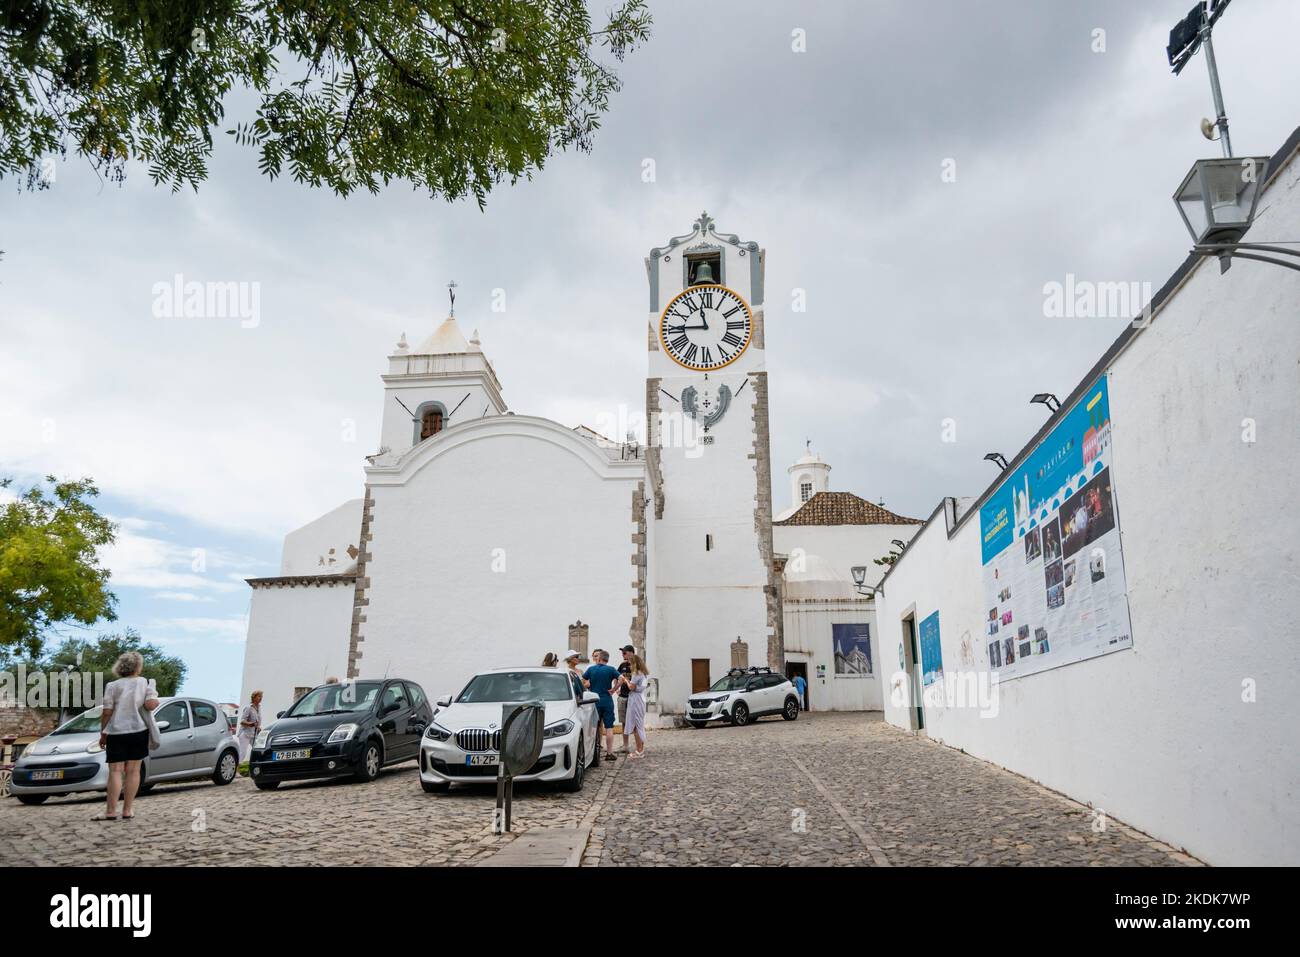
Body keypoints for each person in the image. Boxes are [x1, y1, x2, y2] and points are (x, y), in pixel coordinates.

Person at [96, 652, 160, 822]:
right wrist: (154, 698)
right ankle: (127, 810)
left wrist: (103, 734)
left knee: (115, 771)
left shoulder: (112, 686)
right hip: (139, 730)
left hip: (117, 732)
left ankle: (110, 811)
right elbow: (151, 705)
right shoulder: (145, 683)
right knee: (133, 771)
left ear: (120, 666)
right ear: (138, 666)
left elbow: (107, 712)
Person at [582, 651, 621, 761]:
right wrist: (614, 689)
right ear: (607, 659)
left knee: (594, 727)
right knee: (609, 727)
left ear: (599, 658)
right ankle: (609, 753)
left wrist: (589, 685)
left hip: (594, 700)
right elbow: (621, 679)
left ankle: (594, 753)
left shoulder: (591, 669)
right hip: (607, 700)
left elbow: (584, 680)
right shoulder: (611, 669)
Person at [619, 653, 649, 759]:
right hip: (640, 699)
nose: (630, 666)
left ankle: (639, 750)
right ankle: (640, 748)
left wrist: (625, 680)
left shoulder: (636, 674)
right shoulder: (643, 673)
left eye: (631, 664)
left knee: (636, 726)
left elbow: (631, 687)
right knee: (639, 724)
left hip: (635, 700)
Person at [615, 645, 635, 753]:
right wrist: (616, 689)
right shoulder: (622, 665)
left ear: (631, 653)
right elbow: (616, 676)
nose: (622, 655)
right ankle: (625, 745)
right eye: (622, 653)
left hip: (633, 697)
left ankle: (639, 745)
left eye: (624, 653)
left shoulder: (637, 665)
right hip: (623, 697)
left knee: (635, 722)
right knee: (623, 722)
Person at [238, 690, 263, 763]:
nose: (261, 698)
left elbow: (258, 721)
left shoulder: (259, 708)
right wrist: (251, 724)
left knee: (258, 750)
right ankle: (236, 770)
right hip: (245, 734)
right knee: (243, 753)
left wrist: (258, 727)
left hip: (254, 734)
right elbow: (242, 721)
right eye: (259, 696)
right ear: (254, 697)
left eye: (261, 697)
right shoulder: (248, 707)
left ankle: (254, 768)